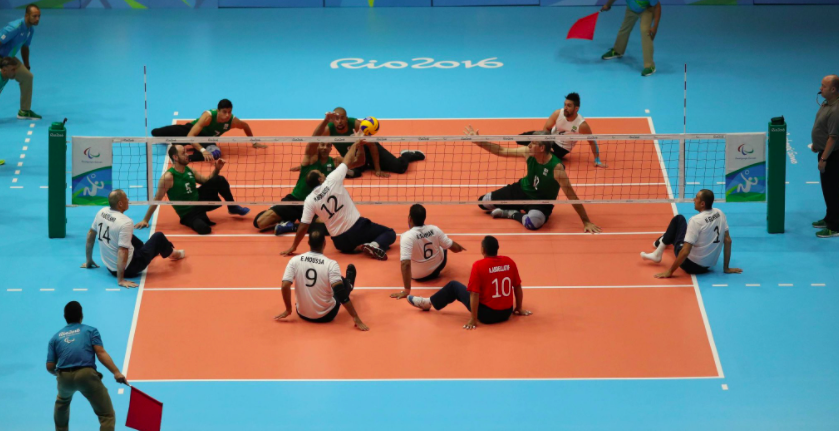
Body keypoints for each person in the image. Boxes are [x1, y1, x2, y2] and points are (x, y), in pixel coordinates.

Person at [466, 125, 602, 232]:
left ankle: (511, 213)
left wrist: (586, 221)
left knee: (533, 223)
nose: (529, 145)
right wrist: (479, 142)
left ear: (542, 148)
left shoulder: (557, 168)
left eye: (533, 143)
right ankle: (515, 207)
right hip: (521, 190)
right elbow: (501, 151)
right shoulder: (528, 153)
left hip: (541, 201)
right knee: (483, 203)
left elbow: (572, 196)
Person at [280, 137, 397, 260]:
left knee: (349, 243)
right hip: (357, 227)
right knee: (389, 233)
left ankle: (359, 247)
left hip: (340, 242)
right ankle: (373, 245)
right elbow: (348, 159)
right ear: (320, 179)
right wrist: (356, 143)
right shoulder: (332, 179)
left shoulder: (309, 200)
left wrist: (294, 246)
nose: (323, 174)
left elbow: (304, 226)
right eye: (321, 174)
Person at [406, 236, 532, 330]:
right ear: (497, 249)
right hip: (506, 313)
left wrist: (473, 319)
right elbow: (517, 286)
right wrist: (519, 308)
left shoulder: (479, 265)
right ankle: (429, 302)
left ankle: (428, 303)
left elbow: (474, 294)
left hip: (486, 316)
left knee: (454, 286)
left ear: (483, 249)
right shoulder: (509, 262)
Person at [47, 301, 129, 431]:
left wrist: (58, 374)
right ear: (81, 316)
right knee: (106, 415)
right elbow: (101, 353)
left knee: (62, 403)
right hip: (86, 375)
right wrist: (116, 372)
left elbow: (50, 366)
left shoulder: (55, 338)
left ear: (65, 317)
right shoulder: (90, 330)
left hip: (64, 378)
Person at [135, 145, 250, 235]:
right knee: (204, 229)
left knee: (218, 179)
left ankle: (232, 206)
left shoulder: (189, 170)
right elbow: (157, 199)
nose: (187, 155)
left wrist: (217, 169)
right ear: (175, 157)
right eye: (183, 153)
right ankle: (199, 218)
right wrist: (145, 220)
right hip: (188, 213)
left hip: (199, 200)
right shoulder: (168, 177)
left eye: (186, 152)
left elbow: (207, 181)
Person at [82, 190, 184, 287]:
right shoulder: (126, 222)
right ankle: (173, 254)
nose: (128, 200)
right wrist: (121, 280)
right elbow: (123, 251)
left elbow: (91, 234)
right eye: (126, 198)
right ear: (120, 204)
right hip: (130, 267)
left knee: (127, 235)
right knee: (159, 236)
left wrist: (89, 260)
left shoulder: (101, 212)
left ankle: (151, 250)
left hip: (109, 266)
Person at [275, 230, 369, 331]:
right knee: (340, 283)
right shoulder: (331, 264)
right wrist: (355, 317)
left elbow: (285, 285)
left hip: (302, 313)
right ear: (324, 243)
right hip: (326, 316)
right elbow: (340, 292)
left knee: (334, 280)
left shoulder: (294, 260)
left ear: (308, 243)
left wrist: (288, 309)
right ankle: (349, 285)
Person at [640, 189, 743, 277]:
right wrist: (726, 268)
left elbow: (685, 251)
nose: (694, 200)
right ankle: (662, 240)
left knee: (679, 220)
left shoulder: (696, 220)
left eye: (696, 198)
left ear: (702, 203)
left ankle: (658, 253)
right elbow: (728, 240)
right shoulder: (720, 213)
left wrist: (669, 271)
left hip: (690, 265)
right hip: (707, 266)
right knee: (683, 231)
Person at [253, 140, 341, 235]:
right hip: (296, 200)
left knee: (331, 226)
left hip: (316, 205)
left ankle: (290, 226)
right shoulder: (310, 160)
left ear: (331, 148)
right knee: (259, 223)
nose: (324, 147)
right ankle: (282, 214)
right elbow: (311, 143)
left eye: (328, 145)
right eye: (322, 144)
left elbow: (353, 159)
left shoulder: (335, 162)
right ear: (317, 146)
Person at [313, 108, 424, 178]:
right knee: (351, 172)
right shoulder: (328, 129)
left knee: (400, 168)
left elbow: (372, 146)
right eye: (337, 119)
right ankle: (357, 168)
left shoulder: (356, 125)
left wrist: (378, 169)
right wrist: (312, 163)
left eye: (342, 118)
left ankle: (407, 155)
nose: (340, 121)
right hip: (354, 157)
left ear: (346, 118)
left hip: (368, 149)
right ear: (333, 120)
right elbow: (315, 141)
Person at [391, 204, 466, 300]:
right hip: (437, 268)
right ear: (424, 218)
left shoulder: (406, 236)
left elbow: (405, 264)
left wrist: (407, 291)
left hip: (417, 275)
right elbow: (453, 247)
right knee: (442, 243)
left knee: (405, 256)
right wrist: (460, 248)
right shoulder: (434, 229)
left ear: (409, 218)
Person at [151, 99, 264, 162]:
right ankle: (176, 143)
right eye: (224, 112)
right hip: (190, 131)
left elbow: (246, 126)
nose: (227, 115)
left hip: (207, 139)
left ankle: (183, 158)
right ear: (218, 111)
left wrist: (253, 142)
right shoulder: (208, 117)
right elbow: (191, 136)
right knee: (155, 133)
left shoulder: (233, 121)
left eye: (229, 112)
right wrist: (202, 149)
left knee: (214, 154)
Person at [537, 93, 606, 167]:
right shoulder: (558, 113)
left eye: (569, 106)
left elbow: (592, 141)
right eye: (565, 105)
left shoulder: (581, 125)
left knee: (536, 152)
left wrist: (597, 160)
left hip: (562, 147)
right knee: (528, 137)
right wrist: (547, 144)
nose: (565, 108)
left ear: (576, 108)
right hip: (551, 138)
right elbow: (547, 128)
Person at [600, 0, 661, 77]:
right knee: (624, 28)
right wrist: (607, 5)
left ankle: (650, 66)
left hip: (647, 10)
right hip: (632, 9)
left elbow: (657, 6)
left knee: (646, 32)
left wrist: (655, 26)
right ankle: (618, 51)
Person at [811, 75, 839, 238]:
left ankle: (835, 226)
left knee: (832, 190)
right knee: (827, 189)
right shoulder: (827, 103)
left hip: (832, 156)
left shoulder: (836, 110)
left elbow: (833, 137)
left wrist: (824, 159)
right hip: (823, 151)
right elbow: (822, 127)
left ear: (833, 89)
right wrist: (817, 144)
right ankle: (829, 218)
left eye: (824, 86)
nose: (820, 88)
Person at [0, 4, 40, 119]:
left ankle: (24, 111)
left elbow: (25, 47)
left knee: (27, 77)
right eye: (34, 16)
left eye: (39, 16)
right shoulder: (14, 27)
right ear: (26, 15)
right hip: (1, 57)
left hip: (9, 58)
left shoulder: (30, 30)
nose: (37, 19)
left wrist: (27, 65)